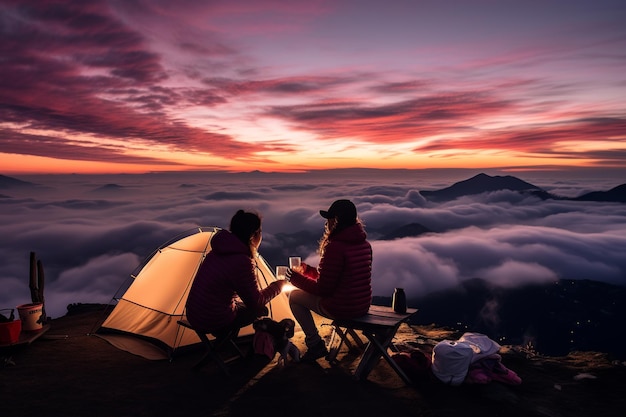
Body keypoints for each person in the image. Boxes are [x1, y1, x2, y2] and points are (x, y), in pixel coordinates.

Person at [287, 199, 372, 362]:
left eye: (329, 219)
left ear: (336, 221)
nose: (326, 223)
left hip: (342, 308)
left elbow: (324, 290)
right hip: (362, 304)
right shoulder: (365, 244)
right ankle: (315, 343)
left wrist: (296, 279)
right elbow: (339, 279)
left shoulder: (335, 247)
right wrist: (309, 272)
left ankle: (315, 344)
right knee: (301, 292)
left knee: (295, 297)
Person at [186, 210, 287, 338]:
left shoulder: (218, 251)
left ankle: (227, 343)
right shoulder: (241, 261)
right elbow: (256, 302)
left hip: (194, 314)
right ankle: (252, 345)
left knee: (241, 305)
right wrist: (279, 285)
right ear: (253, 235)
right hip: (211, 319)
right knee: (261, 310)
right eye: (260, 232)